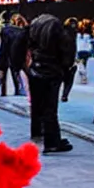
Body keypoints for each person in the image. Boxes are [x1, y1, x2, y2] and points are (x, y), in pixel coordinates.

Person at [27, 8, 75, 153]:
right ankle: (52, 141)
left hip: (36, 69)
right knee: (50, 108)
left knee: (37, 105)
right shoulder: (57, 32)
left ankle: (40, 133)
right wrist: (65, 68)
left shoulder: (34, 30)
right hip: (52, 71)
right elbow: (67, 55)